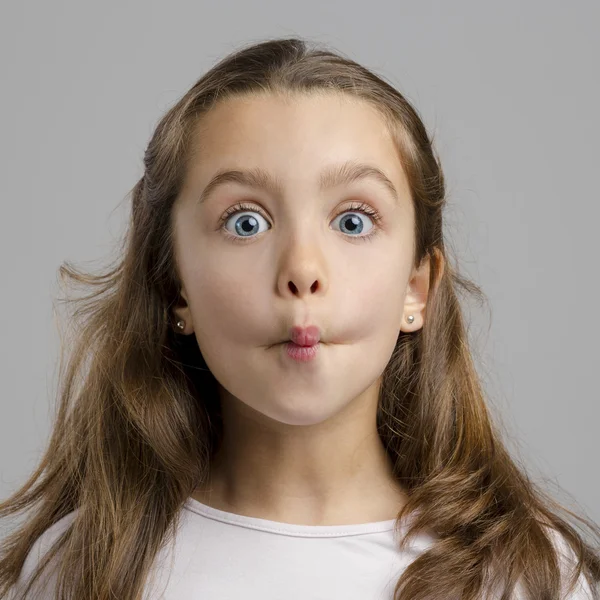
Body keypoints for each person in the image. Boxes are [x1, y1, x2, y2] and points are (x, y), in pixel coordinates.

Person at [1, 37, 598, 600]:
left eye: (353, 221)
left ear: (417, 288)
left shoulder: (526, 576)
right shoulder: (78, 568)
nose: (302, 270)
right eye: (245, 222)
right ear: (174, 285)